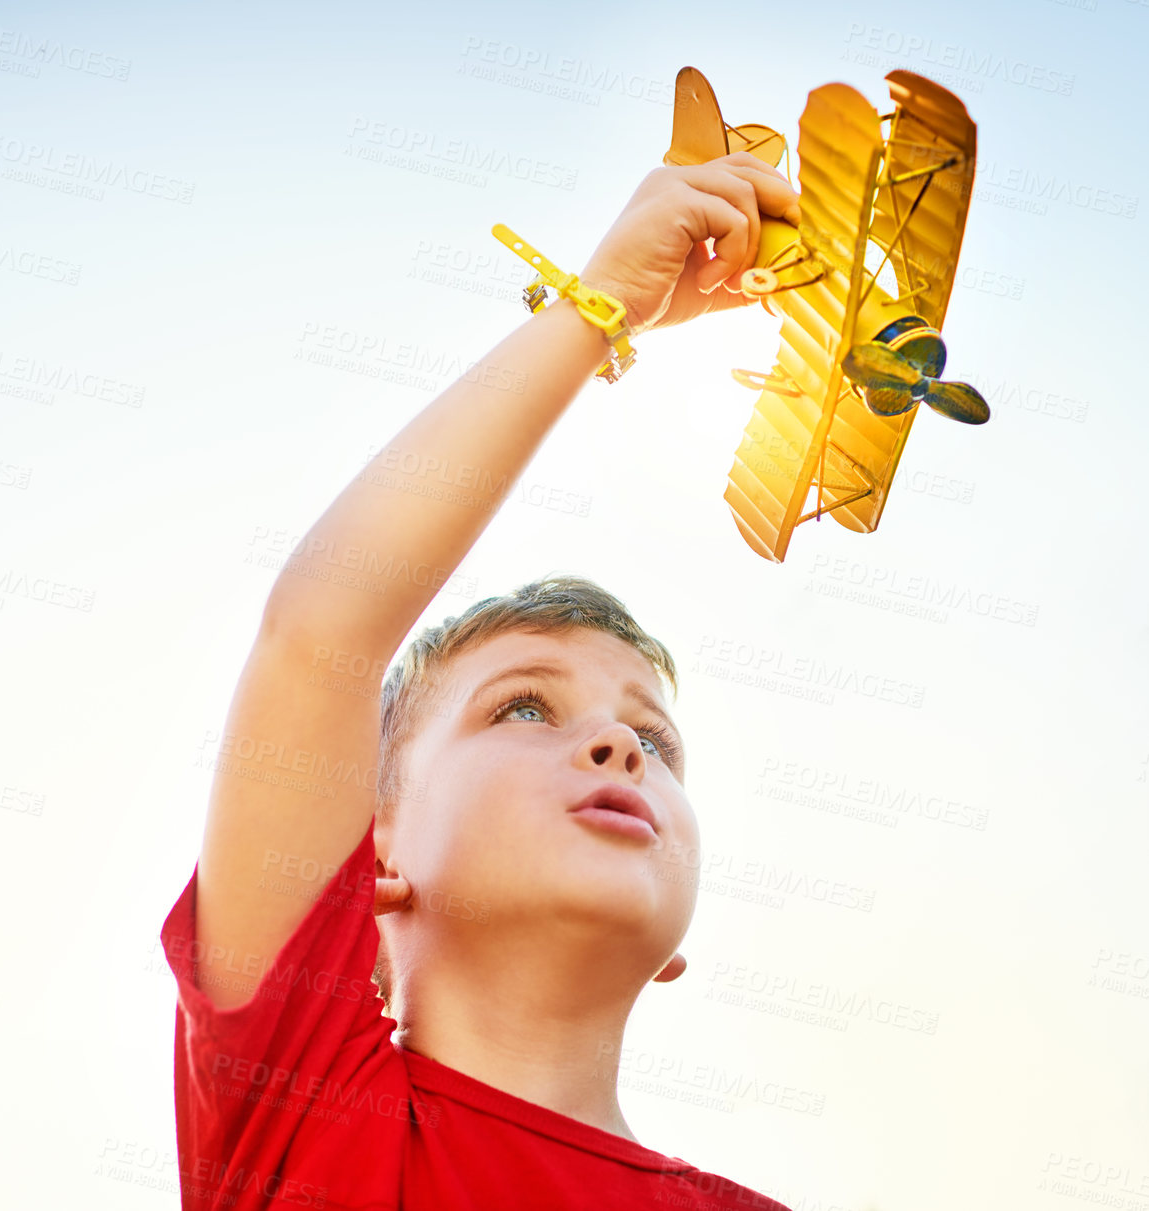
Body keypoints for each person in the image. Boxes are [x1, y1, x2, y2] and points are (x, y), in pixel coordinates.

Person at [160, 151, 804, 1209]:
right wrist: (600, 308)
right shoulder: (305, 1104)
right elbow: (324, 628)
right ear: (372, 852)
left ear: (677, 946)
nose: (619, 744)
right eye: (523, 705)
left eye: (656, 737)